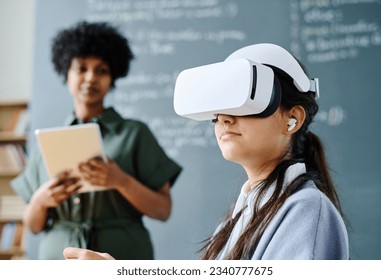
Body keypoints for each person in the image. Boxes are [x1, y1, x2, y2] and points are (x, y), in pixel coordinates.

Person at [62, 43, 349, 260]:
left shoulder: (306, 211)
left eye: (244, 103)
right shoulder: (241, 215)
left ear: (292, 119)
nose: (224, 118)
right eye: (220, 106)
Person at [11, 21, 182, 260]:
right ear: (66, 73)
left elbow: (163, 210)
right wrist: (41, 201)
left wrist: (121, 181)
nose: (90, 77)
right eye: (81, 69)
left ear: (112, 77)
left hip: (123, 259)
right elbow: (34, 226)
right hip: (56, 262)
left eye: (101, 70)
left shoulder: (135, 134)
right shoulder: (46, 142)